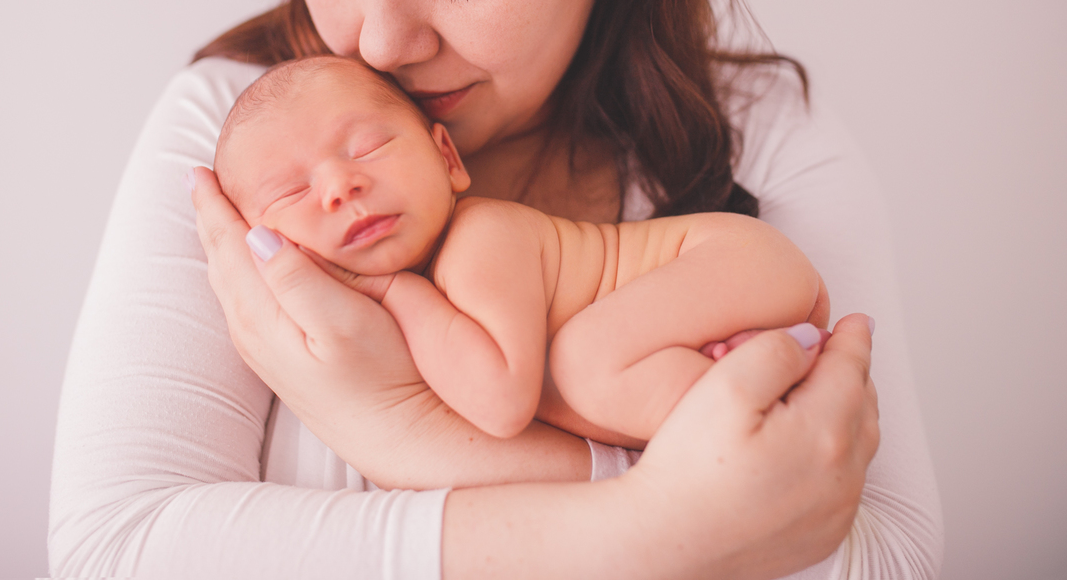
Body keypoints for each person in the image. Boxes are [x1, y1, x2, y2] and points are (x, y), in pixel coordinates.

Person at [49, 0, 943, 577]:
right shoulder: (231, 139)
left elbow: (887, 557)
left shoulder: (763, 140)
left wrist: (392, 427)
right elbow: (117, 547)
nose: (380, 44)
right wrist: (645, 528)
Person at [214, 55, 829, 450]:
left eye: (368, 148)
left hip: (725, 256)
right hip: (727, 289)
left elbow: (503, 405)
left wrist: (401, 293)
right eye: (291, 193)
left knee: (581, 362)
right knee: (581, 373)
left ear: (449, 160)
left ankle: (752, 441)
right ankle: (739, 382)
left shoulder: (481, 241)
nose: (338, 187)